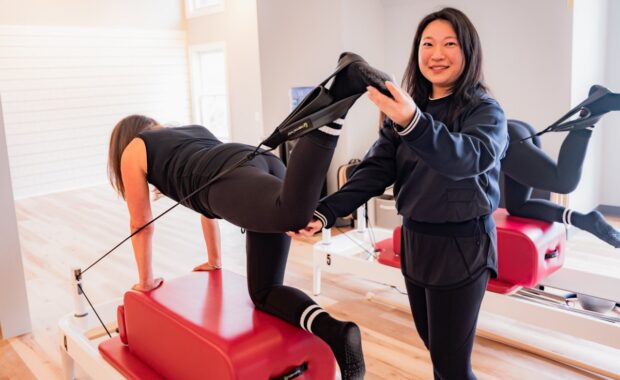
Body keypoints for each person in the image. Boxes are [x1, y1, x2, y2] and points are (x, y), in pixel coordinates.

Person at [107, 52, 394, 380]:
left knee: (292, 215)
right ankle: (338, 335)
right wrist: (214, 260)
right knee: (265, 292)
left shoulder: (133, 149)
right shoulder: (187, 130)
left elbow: (140, 224)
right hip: (259, 164)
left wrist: (145, 281)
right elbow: (209, 207)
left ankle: (342, 90)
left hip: (230, 181)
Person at [293, 7, 507, 379]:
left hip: (462, 248)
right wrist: (325, 211)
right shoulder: (409, 110)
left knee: (452, 366)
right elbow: (377, 169)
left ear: (468, 51)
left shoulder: (484, 111)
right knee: (436, 350)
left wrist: (412, 122)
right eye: (428, 44)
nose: (436, 54)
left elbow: (467, 159)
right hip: (415, 243)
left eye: (449, 44)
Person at [502, 89, 620, 247]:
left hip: (505, 139)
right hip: (511, 131)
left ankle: (594, 109)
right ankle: (584, 220)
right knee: (518, 206)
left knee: (564, 182)